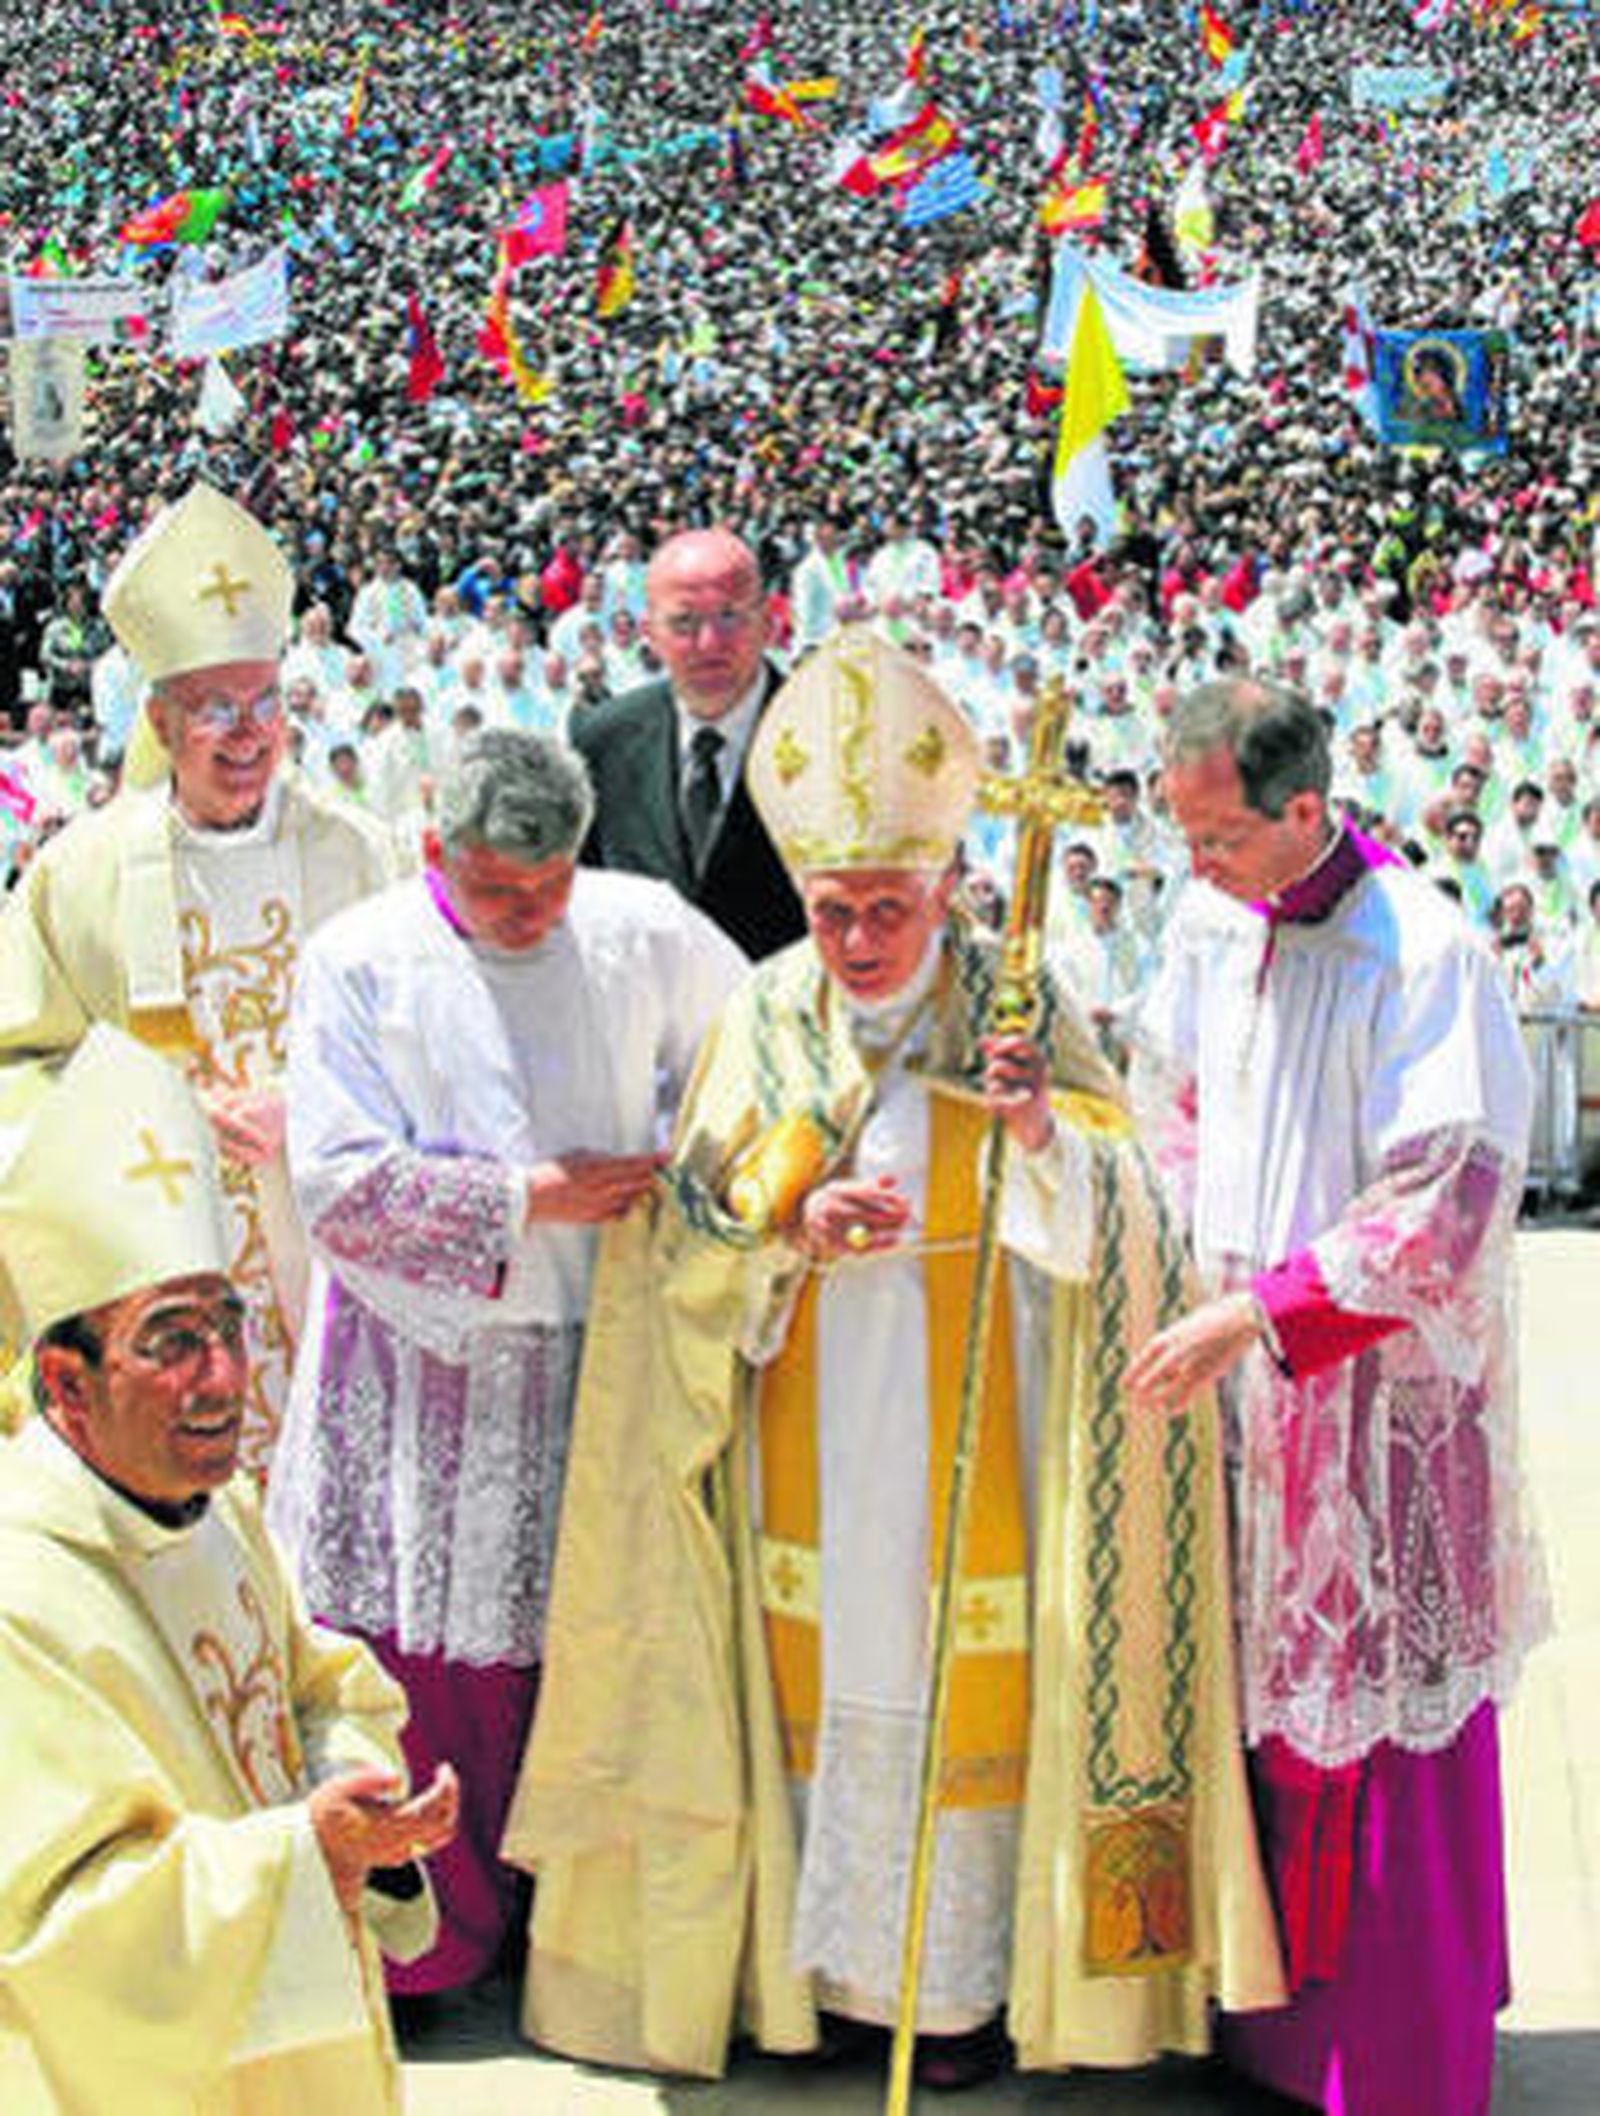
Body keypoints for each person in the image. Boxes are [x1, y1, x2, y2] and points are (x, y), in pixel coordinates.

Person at [505, 626, 1283, 2084]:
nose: (858, 938)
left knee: (960, 1698)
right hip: (809, 1434)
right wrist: (789, 1222)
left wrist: (1042, 1136)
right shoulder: (768, 1008)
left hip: (983, 1447)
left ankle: (960, 1998)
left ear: (949, 888)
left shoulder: (1017, 1007)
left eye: (888, 907)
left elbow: (1137, 1224)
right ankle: (816, 1993)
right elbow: (688, 1226)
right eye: (833, 906)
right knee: (820, 1694)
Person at [268, 729, 748, 1998]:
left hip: (599, 1355)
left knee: (584, 1647)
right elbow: (333, 1180)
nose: (531, 916)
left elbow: (746, 1067)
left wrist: (691, 1179)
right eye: (497, 892)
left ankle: (572, 1947)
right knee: (427, 1669)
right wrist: (523, 1197)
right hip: (420, 1366)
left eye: (550, 888)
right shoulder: (361, 959)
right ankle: (430, 1949)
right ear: (436, 847)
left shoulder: (640, 926)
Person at [1125, 677, 1547, 2116]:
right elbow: (1167, 1107)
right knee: (1259, 1711)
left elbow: (1449, 1199)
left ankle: (1396, 2055)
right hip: (1243, 1396)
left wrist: (1264, 1310)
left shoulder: (1423, 953)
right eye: (1183, 835)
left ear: (1307, 809)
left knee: (1385, 1723)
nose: (1201, 867)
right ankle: (1267, 2029)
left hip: (1377, 1406)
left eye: (1224, 836)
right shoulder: (1204, 924)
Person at [0, 1024, 457, 2112]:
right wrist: (307, 1858)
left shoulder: (223, 1511)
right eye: (169, 1340)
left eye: (227, 1324)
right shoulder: (22, 1592)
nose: (222, 1376)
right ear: (64, 1382)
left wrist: (359, 1814)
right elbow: (59, 1935)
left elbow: (321, 1690)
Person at [0, 484, 392, 1478]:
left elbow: (431, 1055)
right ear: (163, 721)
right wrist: (144, 1119)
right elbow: (15, 1068)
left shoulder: (362, 857)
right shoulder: (80, 875)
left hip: (334, 1269)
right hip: (160, 1272)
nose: (247, 732)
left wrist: (311, 1109)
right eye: (215, 706)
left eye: (264, 700)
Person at [568, 527, 806, 960]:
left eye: (730, 616)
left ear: (769, 622)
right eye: (684, 622)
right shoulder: (603, 741)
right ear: (649, 632)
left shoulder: (828, 739)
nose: (709, 643)